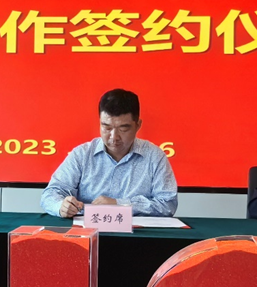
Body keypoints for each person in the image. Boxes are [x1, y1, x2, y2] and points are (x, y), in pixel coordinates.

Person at [41, 89, 178, 218]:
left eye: (123, 129)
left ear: (138, 125)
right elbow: (51, 193)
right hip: (89, 229)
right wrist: (61, 206)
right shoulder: (82, 154)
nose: (114, 137)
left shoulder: (154, 156)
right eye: (106, 127)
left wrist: (120, 205)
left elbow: (168, 204)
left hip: (136, 233)